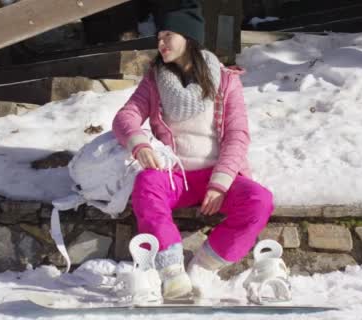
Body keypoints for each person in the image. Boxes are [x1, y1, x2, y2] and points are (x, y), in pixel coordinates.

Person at [112, 0, 274, 299]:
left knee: (259, 201)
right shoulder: (154, 80)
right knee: (147, 184)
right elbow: (126, 117)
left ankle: (203, 268)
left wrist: (221, 183)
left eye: (168, 36)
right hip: (175, 176)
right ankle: (172, 271)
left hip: (216, 175)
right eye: (159, 37)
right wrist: (139, 143)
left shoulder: (225, 81)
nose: (160, 43)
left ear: (188, 37)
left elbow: (237, 135)